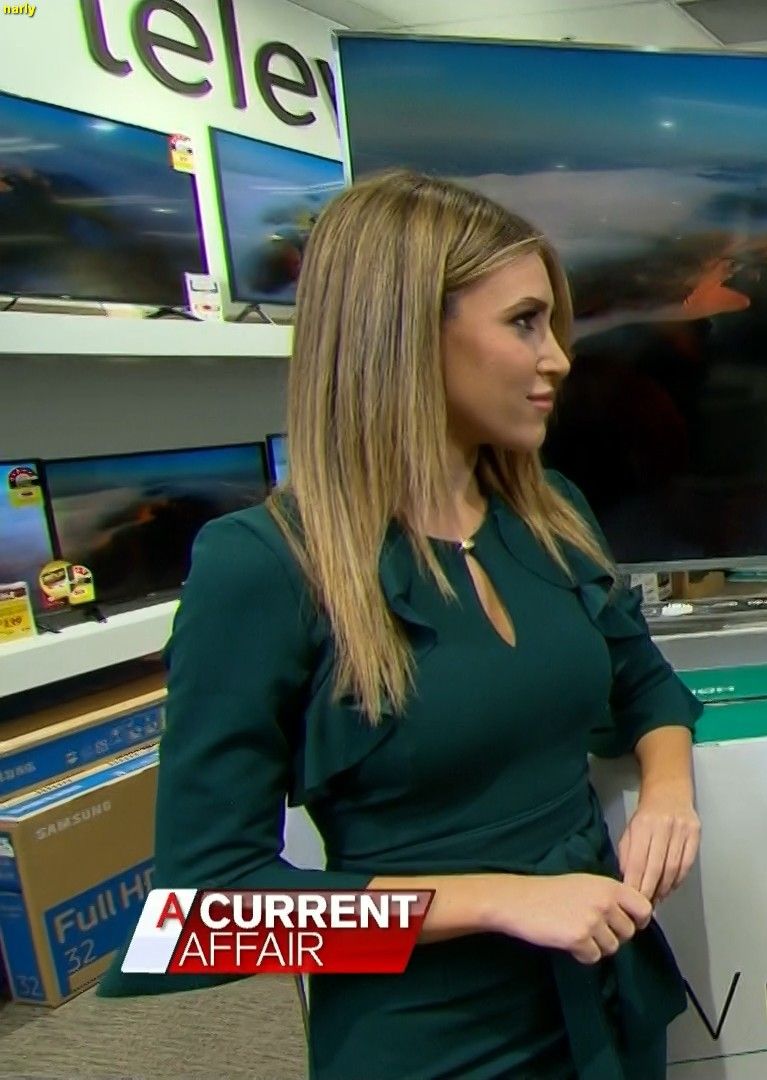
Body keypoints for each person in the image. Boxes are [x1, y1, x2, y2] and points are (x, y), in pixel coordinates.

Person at [98, 170, 705, 1080]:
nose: (558, 359)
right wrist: (496, 901)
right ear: (408, 332)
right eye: (524, 323)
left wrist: (667, 792)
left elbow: (645, 684)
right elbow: (211, 915)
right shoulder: (264, 567)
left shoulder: (552, 514)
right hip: (434, 1039)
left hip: (606, 1002)